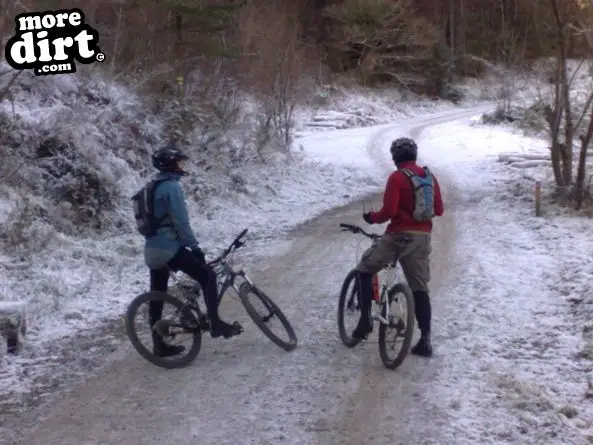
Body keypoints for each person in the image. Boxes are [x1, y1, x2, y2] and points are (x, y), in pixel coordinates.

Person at [144, 145, 243, 357]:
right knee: (207, 276)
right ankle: (216, 324)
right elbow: (181, 221)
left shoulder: (151, 186)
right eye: (179, 162)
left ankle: (158, 345)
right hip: (170, 248)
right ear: (170, 164)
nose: (182, 166)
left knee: (157, 296)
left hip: (152, 250)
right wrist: (194, 247)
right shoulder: (171, 187)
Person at [354, 137, 444, 357]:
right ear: (414, 154)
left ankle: (365, 320)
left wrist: (371, 218)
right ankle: (425, 341)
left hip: (398, 236)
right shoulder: (430, 177)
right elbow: (439, 209)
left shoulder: (397, 177)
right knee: (420, 289)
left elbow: (389, 212)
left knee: (364, 271)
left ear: (395, 158)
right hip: (422, 238)